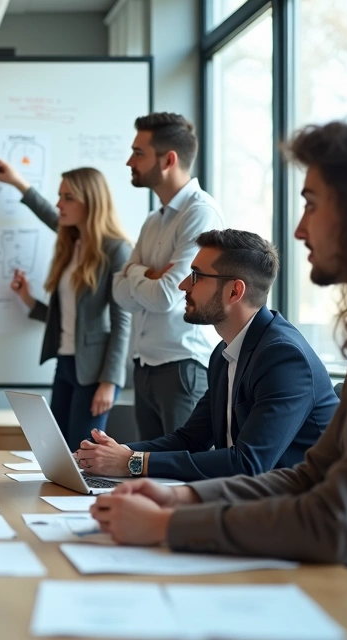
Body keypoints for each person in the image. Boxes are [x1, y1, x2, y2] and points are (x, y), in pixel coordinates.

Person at [91, 111, 347, 637]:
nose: (299, 228)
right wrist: (181, 496)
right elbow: (312, 476)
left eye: (311, 203)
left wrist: (169, 524)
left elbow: (337, 519)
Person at [75, 229, 336, 481]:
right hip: (248, 496)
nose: (183, 285)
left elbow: (249, 464)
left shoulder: (283, 357)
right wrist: (110, 454)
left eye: (196, 276)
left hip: (300, 504)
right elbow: (190, 439)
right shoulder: (223, 353)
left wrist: (132, 462)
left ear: (234, 291)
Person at [0, 155, 132, 450]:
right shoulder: (73, 242)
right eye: (59, 195)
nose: (59, 204)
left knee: (83, 454)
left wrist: (110, 382)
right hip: (65, 364)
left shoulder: (115, 250)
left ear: (90, 202)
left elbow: (123, 321)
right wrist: (28, 300)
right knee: (55, 451)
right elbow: (69, 317)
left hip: (94, 372)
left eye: (68, 197)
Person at [113, 113, 224, 441]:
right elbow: (118, 292)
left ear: (168, 160)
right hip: (145, 366)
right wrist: (145, 274)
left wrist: (133, 272)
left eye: (138, 153)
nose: (129, 161)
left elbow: (165, 297)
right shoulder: (153, 220)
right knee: (145, 465)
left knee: (179, 466)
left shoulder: (200, 213)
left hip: (182, 366)